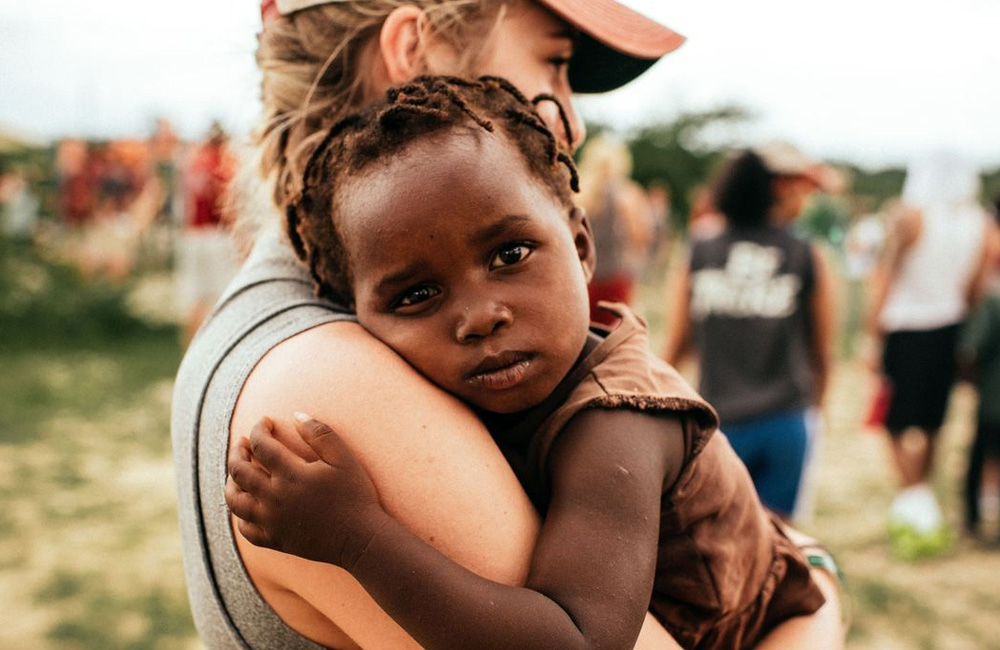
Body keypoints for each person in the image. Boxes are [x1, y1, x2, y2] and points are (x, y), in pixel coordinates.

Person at [171, 2, 842, 648]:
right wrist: (821, 599)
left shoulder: (612, 415)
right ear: (415, 53)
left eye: (511, 255)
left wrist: (358, 539)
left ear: (581, 246)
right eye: (553, 65)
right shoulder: (326, 374)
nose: (572, 123)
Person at [662, 143, 837, 521]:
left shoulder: (700, 251)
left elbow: (677, 342)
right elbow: (822, 350)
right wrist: (816, 411)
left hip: (717, 422)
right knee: (775, 546)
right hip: (785, 419)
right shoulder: (804, 253)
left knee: (716, 544)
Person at [865, 150, 990, 558]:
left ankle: (913, 495)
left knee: (893, 418)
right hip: (949, 326)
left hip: (905, 327)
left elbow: (885, 274)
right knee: (934, 418)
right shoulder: (980, 222)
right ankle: (921, 499)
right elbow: (974, 287)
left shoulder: (911, 215)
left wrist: (872, 333)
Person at [577, 133, 654, 325]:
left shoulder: (579, 193)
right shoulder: (628, 194)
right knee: (614, 338)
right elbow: (642, 237)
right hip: (617, 277)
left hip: (584, 278)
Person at [176, 122, 241, 341]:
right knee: (221, 298)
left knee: (195, 298)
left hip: (193, 235)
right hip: (217, 236)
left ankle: (189, 353)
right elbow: (225, 203)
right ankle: (215, 347)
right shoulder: (223, 163)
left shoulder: (192, 162)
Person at [959, 206, 1000, 540]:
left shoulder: (993, 300)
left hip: (993, 401)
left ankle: (972, 518)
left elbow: (971, 349)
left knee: (978, 460)